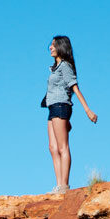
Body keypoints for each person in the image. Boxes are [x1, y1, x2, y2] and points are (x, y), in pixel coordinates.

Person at [42, 35, 97, 192]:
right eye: (50, 45)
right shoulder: (55, 68)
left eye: (53, 45)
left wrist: (87, 110)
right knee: (52, 147)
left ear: (61, 47)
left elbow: (75, 89)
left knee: (62, 147)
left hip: (61, 106)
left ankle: (64, 186)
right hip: (52, 107)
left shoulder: (65, 66)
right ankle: (58, 185)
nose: (50, 48)